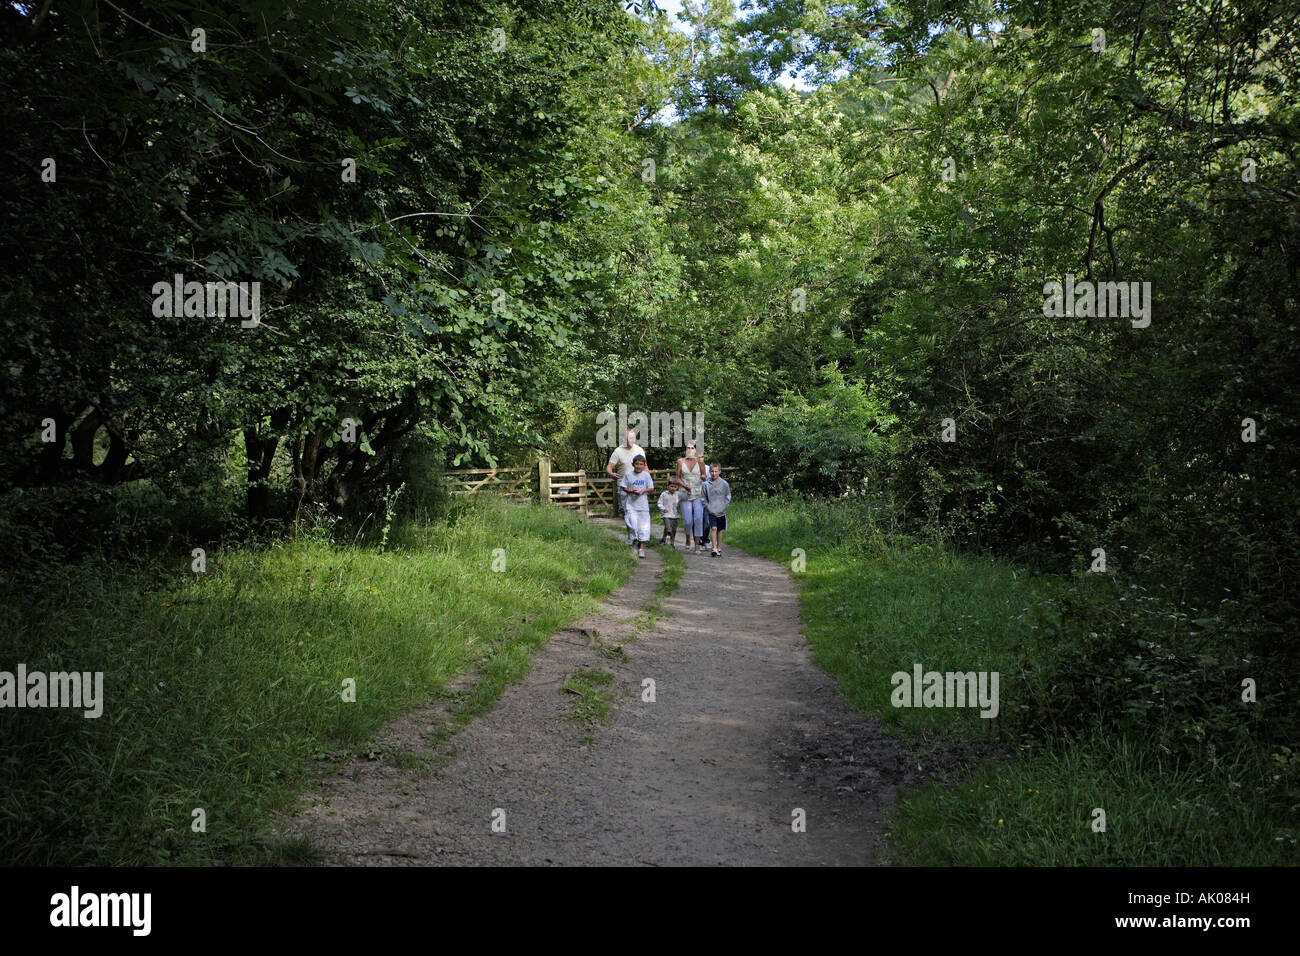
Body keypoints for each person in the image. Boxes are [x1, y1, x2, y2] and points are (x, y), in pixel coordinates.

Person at [606, 427, 645, 537]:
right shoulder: (618, 451)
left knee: (637, 512)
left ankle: (637, 535)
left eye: (633, 438)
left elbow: (646, 468)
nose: (631, 440)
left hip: (639, 486)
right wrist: (612, 473)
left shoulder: (639, 450)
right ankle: (631, 535)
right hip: (624, 487)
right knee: (628, 513)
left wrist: (648, 482)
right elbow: (609, 467)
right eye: (629, 438)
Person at [620, 454, 654, 558]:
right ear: (633, 464)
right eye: (636, 464)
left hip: (643, 505)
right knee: (633, 526)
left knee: (643, 528)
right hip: (631, 505)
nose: (638, 466)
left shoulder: (646, 475)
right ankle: (634, 544)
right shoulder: (628, 475)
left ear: (644, 465)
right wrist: (631, 491)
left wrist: (643, 491)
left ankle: (641, 548)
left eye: (641, 464)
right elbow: (623, 487)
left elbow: (651, 488)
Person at [675, 441, 705, 553]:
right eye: (688, 448)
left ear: (695, 450)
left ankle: (697, 545)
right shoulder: (680, 461)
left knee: (698, 518)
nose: (690, 450)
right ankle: (688, 538)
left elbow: (704, 475)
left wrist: (703, 477)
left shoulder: (700, 462)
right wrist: (683, 485)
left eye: (692, 448)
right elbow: (677, 478)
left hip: (698, 493)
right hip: (685, 493)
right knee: (688, 521)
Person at [702, 462, 731, 557]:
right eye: (712, 471)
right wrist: (708, 507)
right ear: (709, 472)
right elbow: (703, 498)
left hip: (721, 511)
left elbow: (728, 496)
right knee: (713, 528)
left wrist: (724, 506)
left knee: (719, 530)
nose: (714, 473)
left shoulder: (724, 484)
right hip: (711, 511)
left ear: (719, 471)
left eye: (716, 471)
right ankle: (713, 548)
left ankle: (719, 547)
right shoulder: (706, 484)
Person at [657, 477, 683, 548]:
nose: (673, 488)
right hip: (666, 514)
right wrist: (663, 508)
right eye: (671, 486)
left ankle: (670, 542)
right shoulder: (664, 494)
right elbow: (659, 503)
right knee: (668, 526)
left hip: (675, 515)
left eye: (675, 487)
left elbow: (684, 498)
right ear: (668, 486)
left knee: (674, 530)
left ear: (677, 487)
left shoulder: (678, 494)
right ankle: (668, 532)